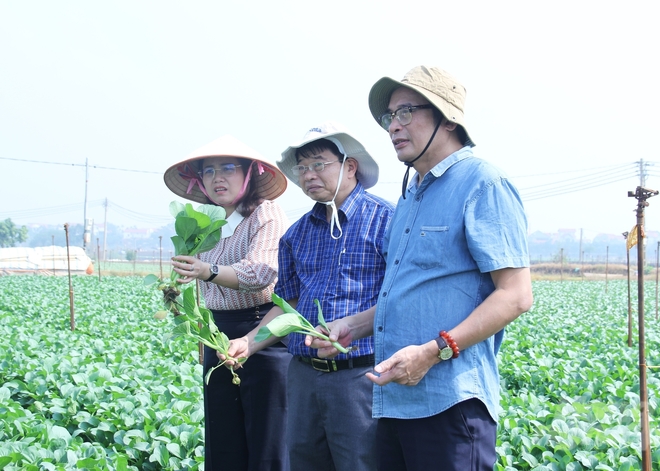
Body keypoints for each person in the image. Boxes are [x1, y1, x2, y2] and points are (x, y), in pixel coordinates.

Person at [309, 66, 534, 470]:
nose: (394, 126)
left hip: (451, 400)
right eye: (389, 117)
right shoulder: (411, 194)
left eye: (406, 112)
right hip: (396, 401)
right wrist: (353, 326)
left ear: (448, 119)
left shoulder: (482, 183)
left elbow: (516, 295)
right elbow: (410, 294)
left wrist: (434, 351)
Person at [225, 121, 395, 471]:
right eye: (303, 168)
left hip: (360, 374)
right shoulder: (297, 234)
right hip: (302, 375)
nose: (309, 175)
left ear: (350, 166)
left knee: (362, 463)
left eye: (319, 164)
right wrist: (248, 342)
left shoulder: (387, 221)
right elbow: (288, 307)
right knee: (304, 462)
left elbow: (401, 298)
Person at [163, 135, 291, 471]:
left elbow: (261, 272)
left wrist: (207, 270)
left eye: (228, 168)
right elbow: (197, 279)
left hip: (262, 334)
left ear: (250, 174)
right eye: (208, 171)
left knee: (267, 446)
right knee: (224, 444)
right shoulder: (208, 225)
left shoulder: (266, 214)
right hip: (218, 337)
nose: (217, 177)